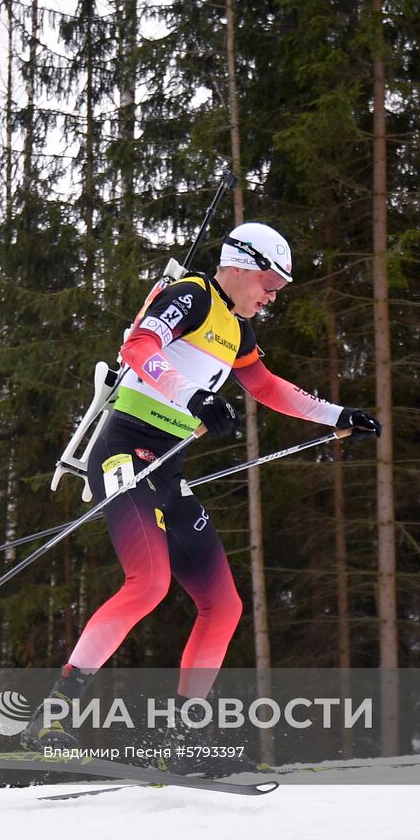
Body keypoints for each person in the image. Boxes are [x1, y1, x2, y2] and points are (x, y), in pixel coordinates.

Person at [22, 222, 382, 762]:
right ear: (237, 266)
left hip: (169, 470)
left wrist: (338, 414)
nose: (272, 294)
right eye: (269, 280)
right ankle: (50, 719)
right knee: (148, 585)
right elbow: (139, 345)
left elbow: (265, 387)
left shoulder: (238, 330)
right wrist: (193, 396)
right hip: (126, 450)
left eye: (279, 286)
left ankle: (180, 737)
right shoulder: (192, 295)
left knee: (224, 604)